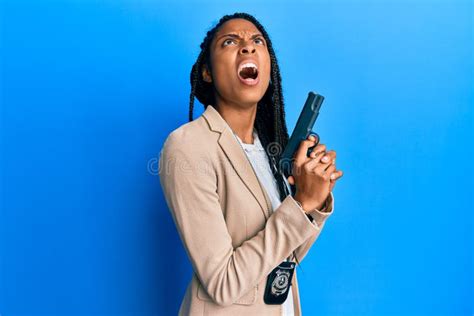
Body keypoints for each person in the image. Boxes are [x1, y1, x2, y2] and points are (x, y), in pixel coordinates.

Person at [158, 12, 343, 316]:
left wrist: (313, 201)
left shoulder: (270, 152)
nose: (247, 47)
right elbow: (222, 283)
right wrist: (299, 205)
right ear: (206, 72)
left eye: (257, 40)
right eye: (230, 42)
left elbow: (285, 256)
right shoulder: (188, 145)